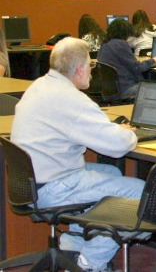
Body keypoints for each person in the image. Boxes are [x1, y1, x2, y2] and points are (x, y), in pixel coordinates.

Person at [11, 37, 145, 272]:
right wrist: (127, 133)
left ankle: (73, 246)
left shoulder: (39, 86)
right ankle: (91, 262)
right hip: (57, 186)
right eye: (90, 66)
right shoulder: (72, 99)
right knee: (144, 194)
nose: (91, 72)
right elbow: (118, 145)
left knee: (111, 171)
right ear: (81, 68)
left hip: (32, 183)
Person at [98, 19, 156, 98]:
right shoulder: (121, 44)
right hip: (125, 89)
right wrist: (153, 60)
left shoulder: (104, 46)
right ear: (125, 32)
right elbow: (137, 68)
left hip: (110, 91)